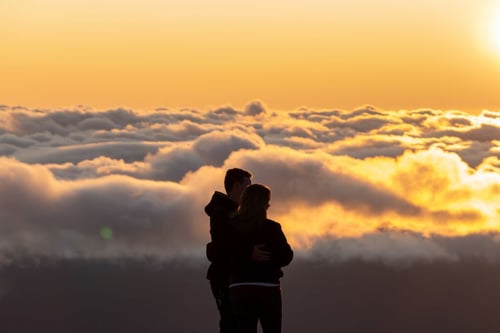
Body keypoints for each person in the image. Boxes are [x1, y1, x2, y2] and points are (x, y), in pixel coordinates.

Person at [228, 184, 293, 333]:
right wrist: (270, 257)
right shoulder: (272, 228)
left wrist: (246, 254)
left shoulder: (232, 226)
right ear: (263, 204)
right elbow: (287, 256)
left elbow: (224, 252)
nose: (269, 204)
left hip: (239, 287)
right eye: (267, 201)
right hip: (267, 287)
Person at [205, 168, 252, 333]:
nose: (249, 192)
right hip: (224, 276)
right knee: (230, 322)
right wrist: (250, 253)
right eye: (248, 187)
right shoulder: (222, 213)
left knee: (234, 322)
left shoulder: (229, 211)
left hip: (229, 276)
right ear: (237, 186)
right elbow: (223, 246)